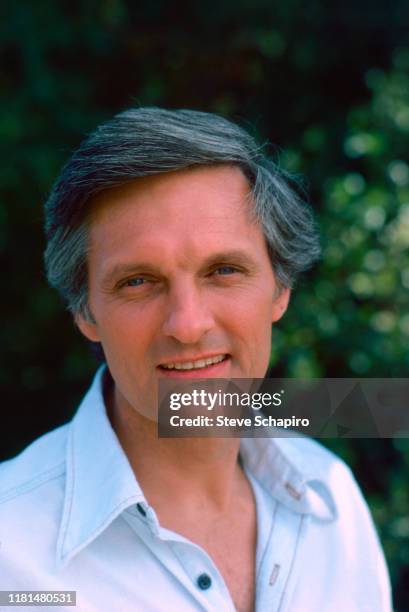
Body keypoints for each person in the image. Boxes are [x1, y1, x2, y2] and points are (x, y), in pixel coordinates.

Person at [0, 108, 392, 611]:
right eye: (138, 281)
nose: (187, 325)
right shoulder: (11, 551)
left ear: (280, 288)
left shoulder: (332, 501)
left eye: (224, 270)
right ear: (86, 312)